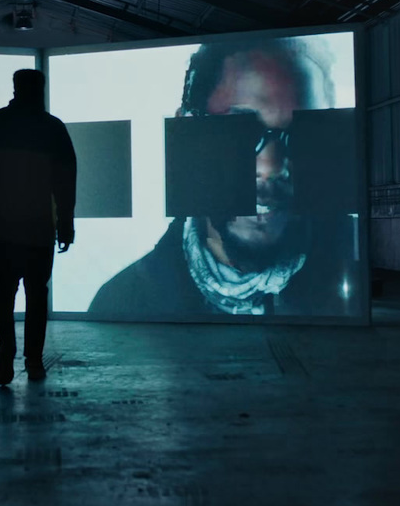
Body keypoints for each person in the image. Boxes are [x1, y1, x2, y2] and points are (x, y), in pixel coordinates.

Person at [88, 38, 335, 318]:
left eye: (301, 135)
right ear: (189, 133)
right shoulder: (122, 303)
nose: (271, 165)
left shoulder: (349, 280)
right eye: (241, 130)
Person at [0, 69, 77, 385]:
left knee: (2, 295)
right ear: (40, 90)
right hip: (39, 230)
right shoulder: (52, 128)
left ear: (15, 88)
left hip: (2, 230)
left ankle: (6, 353)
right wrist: (65, 225)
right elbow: (65, 183)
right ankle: (32, 359)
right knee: (36, 296)